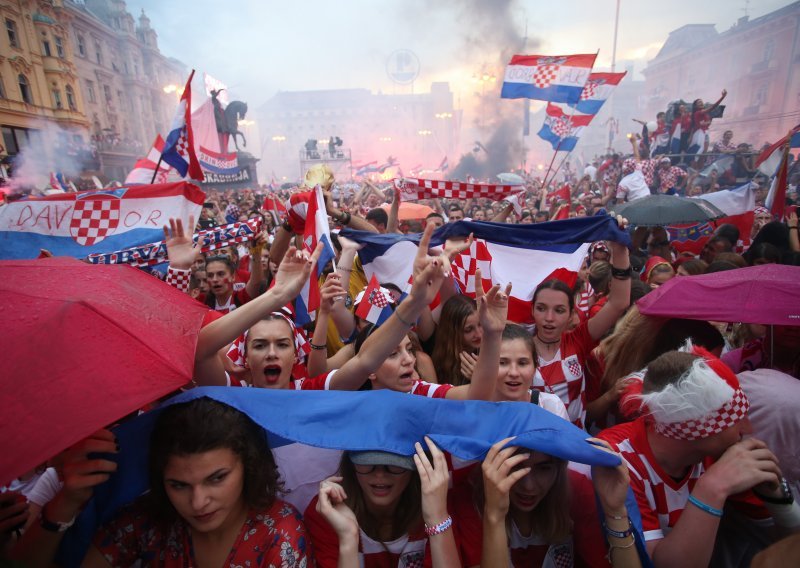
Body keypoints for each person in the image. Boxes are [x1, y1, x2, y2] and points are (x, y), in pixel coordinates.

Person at [11, 398, 312, 566]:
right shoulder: (146, 522)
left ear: (248, 466)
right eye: (179, 485)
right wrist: (67, 503)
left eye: (217, 478)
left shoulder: (281, 534)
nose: (198, 502)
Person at [599, 348, 799, 568]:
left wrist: (779, 502)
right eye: (735, 418)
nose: (748, 427)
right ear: (696, 427)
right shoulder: (618, 460)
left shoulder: (717, 453)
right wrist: (712, 489)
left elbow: (790, 547)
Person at [455, 437, 642, 567]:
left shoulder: (576, 490)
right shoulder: (472, 498)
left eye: (543, 469)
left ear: (560, 468)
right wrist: (494, 516)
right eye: (515, 467)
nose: (528, 486)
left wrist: (615, 510)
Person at [527, 216, 631, 428]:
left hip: (573, 445)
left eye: (559, 310)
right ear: (532, 310)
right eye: (541, 308)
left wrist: (620, 249)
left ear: (571, 314)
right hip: (532, 445)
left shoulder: (578, 340)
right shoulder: (518, 345)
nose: (549, 318)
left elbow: (619, 302)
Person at [305, 439, 458, 567]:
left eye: (394, 462)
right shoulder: (327, 511)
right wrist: (348, 538)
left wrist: (437, 519)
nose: (379, 474)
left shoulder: (437, 504)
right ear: (351, 463)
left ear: (416, 465)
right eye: (367, 461)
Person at [431, 295, 481, 386]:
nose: (479, 334)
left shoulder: (496, 349)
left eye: (481, 325)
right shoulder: (440, 364)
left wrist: (483, 378)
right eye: (468, 330)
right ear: (453, 333)